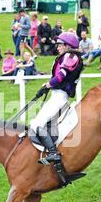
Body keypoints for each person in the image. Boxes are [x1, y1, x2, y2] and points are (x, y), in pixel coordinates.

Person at [28, 32, 84, 168]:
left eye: (60, 45)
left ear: (68, 46)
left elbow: (62, 75)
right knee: (37, 123)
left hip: (60, 97)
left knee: (37, 124)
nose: (58, 47)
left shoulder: (70, 56)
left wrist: (47, 85)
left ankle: (53, 152)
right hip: (57, 95)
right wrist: (48, 86)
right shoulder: (67, 56)